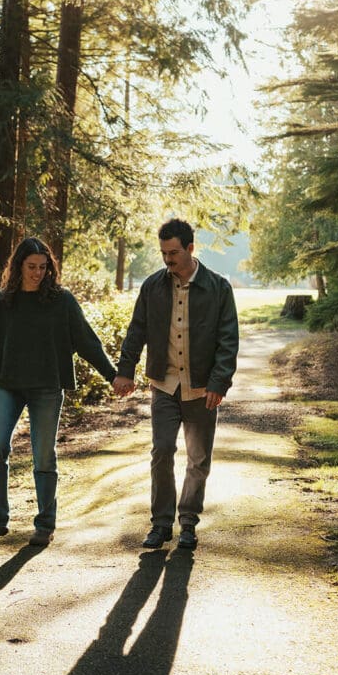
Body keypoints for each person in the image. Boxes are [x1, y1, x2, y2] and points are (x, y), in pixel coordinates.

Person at [0, 237, 117, 547]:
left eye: (43, 267)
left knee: (43, 456)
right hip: (7, 386)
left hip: (46, 388)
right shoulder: (1, 302)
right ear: (18, 266)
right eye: (31, 267)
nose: (37, 273)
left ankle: (44, 524)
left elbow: (87, 342)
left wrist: (112, 375)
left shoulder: (61, 301)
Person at [112, 218, 238, 550]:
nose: (168, 259)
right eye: (164, 253)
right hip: (165, 385)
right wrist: (125, 370)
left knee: (198, 459)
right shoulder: (153, 286)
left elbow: (228, 340)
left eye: (174, 252)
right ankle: (160, 523)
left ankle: (188, 523)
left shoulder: (218, 287)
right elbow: (136, 330)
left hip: (201, 389)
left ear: (190, 248)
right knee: (162, 451)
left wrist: (219, 382)